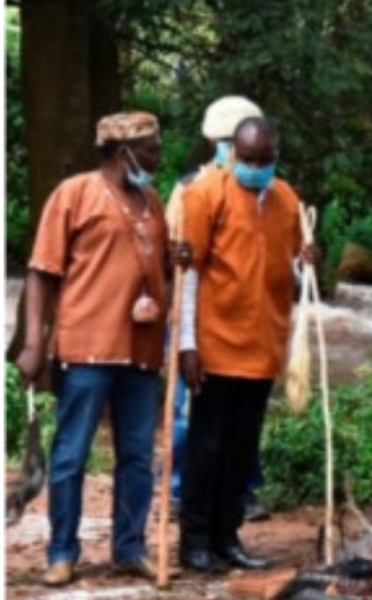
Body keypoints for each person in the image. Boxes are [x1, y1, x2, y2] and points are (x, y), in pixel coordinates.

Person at [15, 112, 168, 586]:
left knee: (139, 455)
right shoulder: (73, 194)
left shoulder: (152, 201)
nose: (157, 156)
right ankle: (62, 553)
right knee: (71, 455)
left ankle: (129, 547)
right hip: (86, 349)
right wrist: (34, 342)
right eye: (149, 149)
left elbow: (164, 264)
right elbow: (42, 272)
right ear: (123, 153)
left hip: (141, 352)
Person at [177, 117, 317, 573]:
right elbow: (190, 271)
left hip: (263, 346)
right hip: (215, 344)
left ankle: (227, 536)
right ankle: (194, 540)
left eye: (264, 160)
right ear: (233, 153)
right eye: (247, 159)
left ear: (276, 156)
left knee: (241, 448)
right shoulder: (205, 193)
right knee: (206, 446)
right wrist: (186, 344)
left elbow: (292, 271)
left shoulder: (287, 199)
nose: (254, 167)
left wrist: (308, 261)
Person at [164, 95, 269, 523]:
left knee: (241, 421)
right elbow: (181, 260)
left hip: (245, 323)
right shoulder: (192, 188)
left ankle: (239, 491)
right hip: (197, 318)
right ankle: (180, 492)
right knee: (191, 415)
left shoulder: (264, 190)